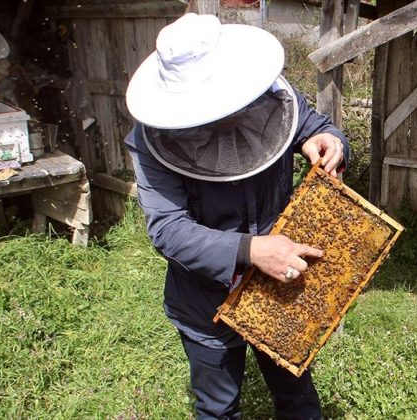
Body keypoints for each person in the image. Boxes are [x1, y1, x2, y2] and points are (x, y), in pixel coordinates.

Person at [124, 13, 349, 419]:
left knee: (297, 395)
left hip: (280, 285)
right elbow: (168, 229)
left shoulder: (273, 94)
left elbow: (313, 124)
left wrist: (328, 140)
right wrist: (251, 249)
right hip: (205, 295)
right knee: (217, 407)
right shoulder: (150, 139)